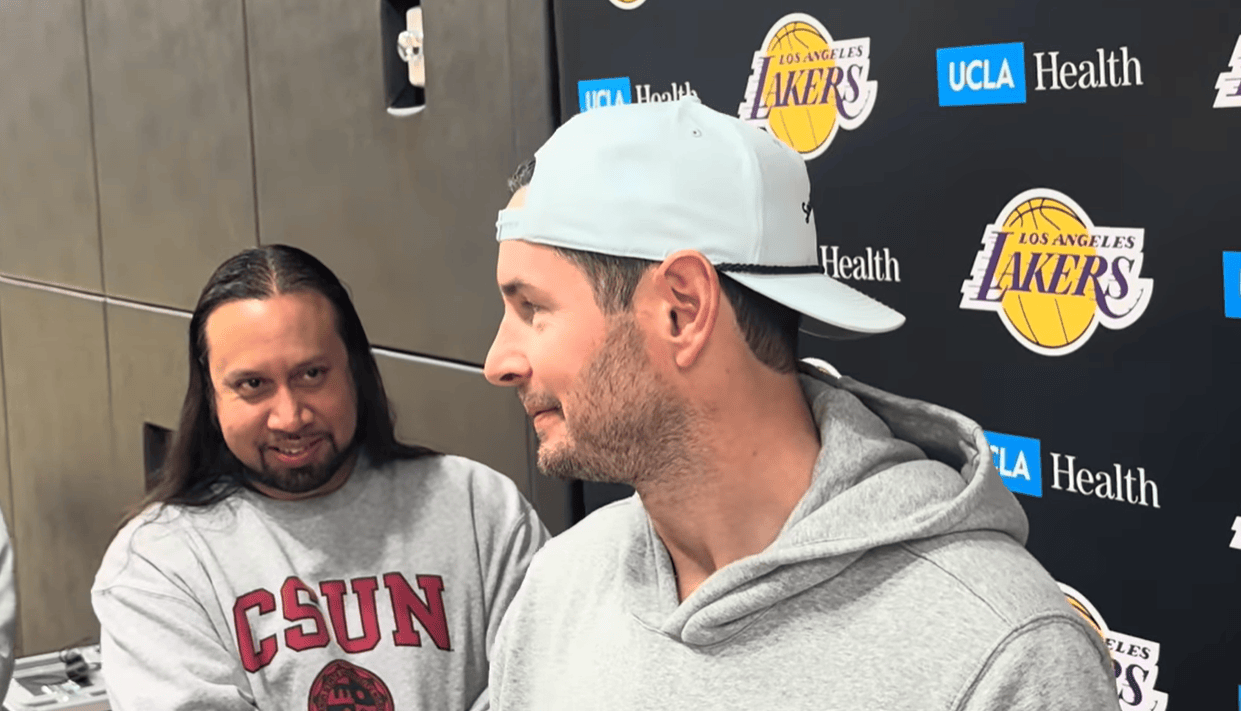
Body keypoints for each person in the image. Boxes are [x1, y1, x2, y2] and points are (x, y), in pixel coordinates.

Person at [482, 97, 1120, 710]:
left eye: (532, 307)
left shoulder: (1001, 651)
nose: (497, 362)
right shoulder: (556, 590)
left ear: (684, 309)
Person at [92, 245, 547, 711]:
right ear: (211, 397)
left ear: (355, 372)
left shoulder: (479, 511)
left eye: (311, 374)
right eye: (253, 385)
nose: (289, 417)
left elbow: (551, 685)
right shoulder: (158, 564)